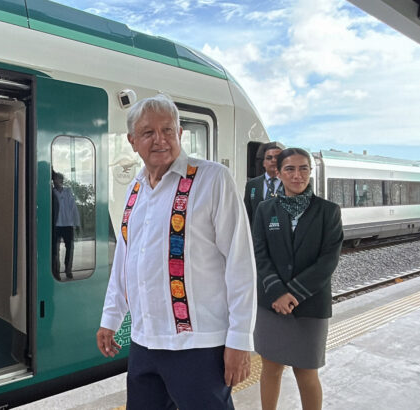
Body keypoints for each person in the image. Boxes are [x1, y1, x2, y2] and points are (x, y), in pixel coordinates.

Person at [96, 95, 257, 409]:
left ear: (180, 133)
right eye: (148, 133)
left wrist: (240, 340)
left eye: (168, 130)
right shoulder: (135, 189)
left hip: (200, 346)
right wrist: (110, 318)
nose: (160, 140)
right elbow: (126, 261)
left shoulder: (213, 180)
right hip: (144, 343)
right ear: (132, 141)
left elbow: (240, 264)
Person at [252, 148, 343, 410]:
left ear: (310, 172)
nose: (297, 175)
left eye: (304, 168)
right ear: (278, 173)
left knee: (306, 372)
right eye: (289, 169)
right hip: (271, 303)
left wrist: (294, 293)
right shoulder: (264, 210)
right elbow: (260, 254)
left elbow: (328, 260)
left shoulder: (328, 211)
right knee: (270, 368)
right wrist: (277, 293)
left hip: (310, 305)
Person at [244, 141, 285, 223]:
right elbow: (247, 214)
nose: (273, 160)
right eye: (269, 158)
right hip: (257, 234)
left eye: (277, 157)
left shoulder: (290, 183)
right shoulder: (252, 184)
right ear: (264, 163)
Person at [51, 171, 80, 280]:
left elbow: (73, 208)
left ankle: (68, 270)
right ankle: (56, 272)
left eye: (58, 179)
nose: (56, 181)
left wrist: (76, 223)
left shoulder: (68, 192)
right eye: (55, 179)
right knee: (55, 250)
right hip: (56, 226)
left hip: (68, 225)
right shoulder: (52, 192)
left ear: (62, 181)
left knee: (70, 248)